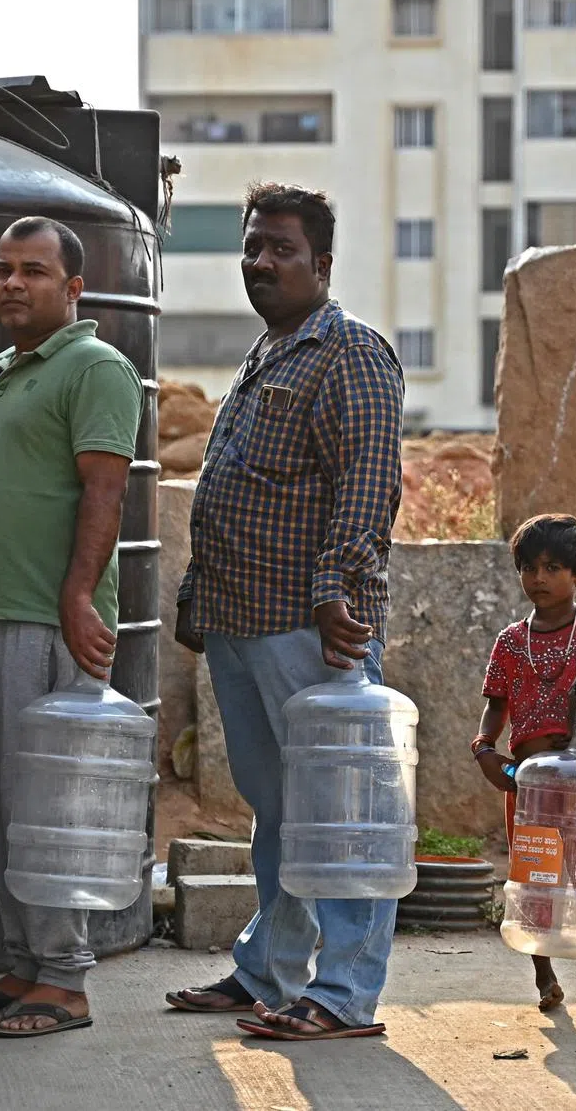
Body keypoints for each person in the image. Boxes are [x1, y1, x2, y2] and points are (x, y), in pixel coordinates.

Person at [165, 183, 405, 1042]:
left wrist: (340, 587)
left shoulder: (349, 352)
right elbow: (233, 484)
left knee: (339, 816)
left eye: (281, 250)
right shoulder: (271, 353)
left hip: (312, 626)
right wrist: (199, 601)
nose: (261, 263)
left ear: (323, 264)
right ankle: (268, 971)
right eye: (253, 247)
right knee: (280, 810)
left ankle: (343, 996)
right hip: (241, 620)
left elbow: (368, 483)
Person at [0, 216, 144, 1037]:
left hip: (42, 624)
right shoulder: (5, 377)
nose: (12, 283)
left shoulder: (95, 367)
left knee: (43, 811)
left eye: (33, 271)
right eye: (1, 270)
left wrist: (79, 597)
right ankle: (22, 965)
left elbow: (105, 492)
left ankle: (64, 979)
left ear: (74, 288)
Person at [474, 514, 576, 1014]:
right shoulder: (510, 642)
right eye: (529, 568)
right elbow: (495, 703)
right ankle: (544, 977)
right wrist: (485, 747)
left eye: (552, 568)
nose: (538, 580)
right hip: (527, 787)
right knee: (536, 878)